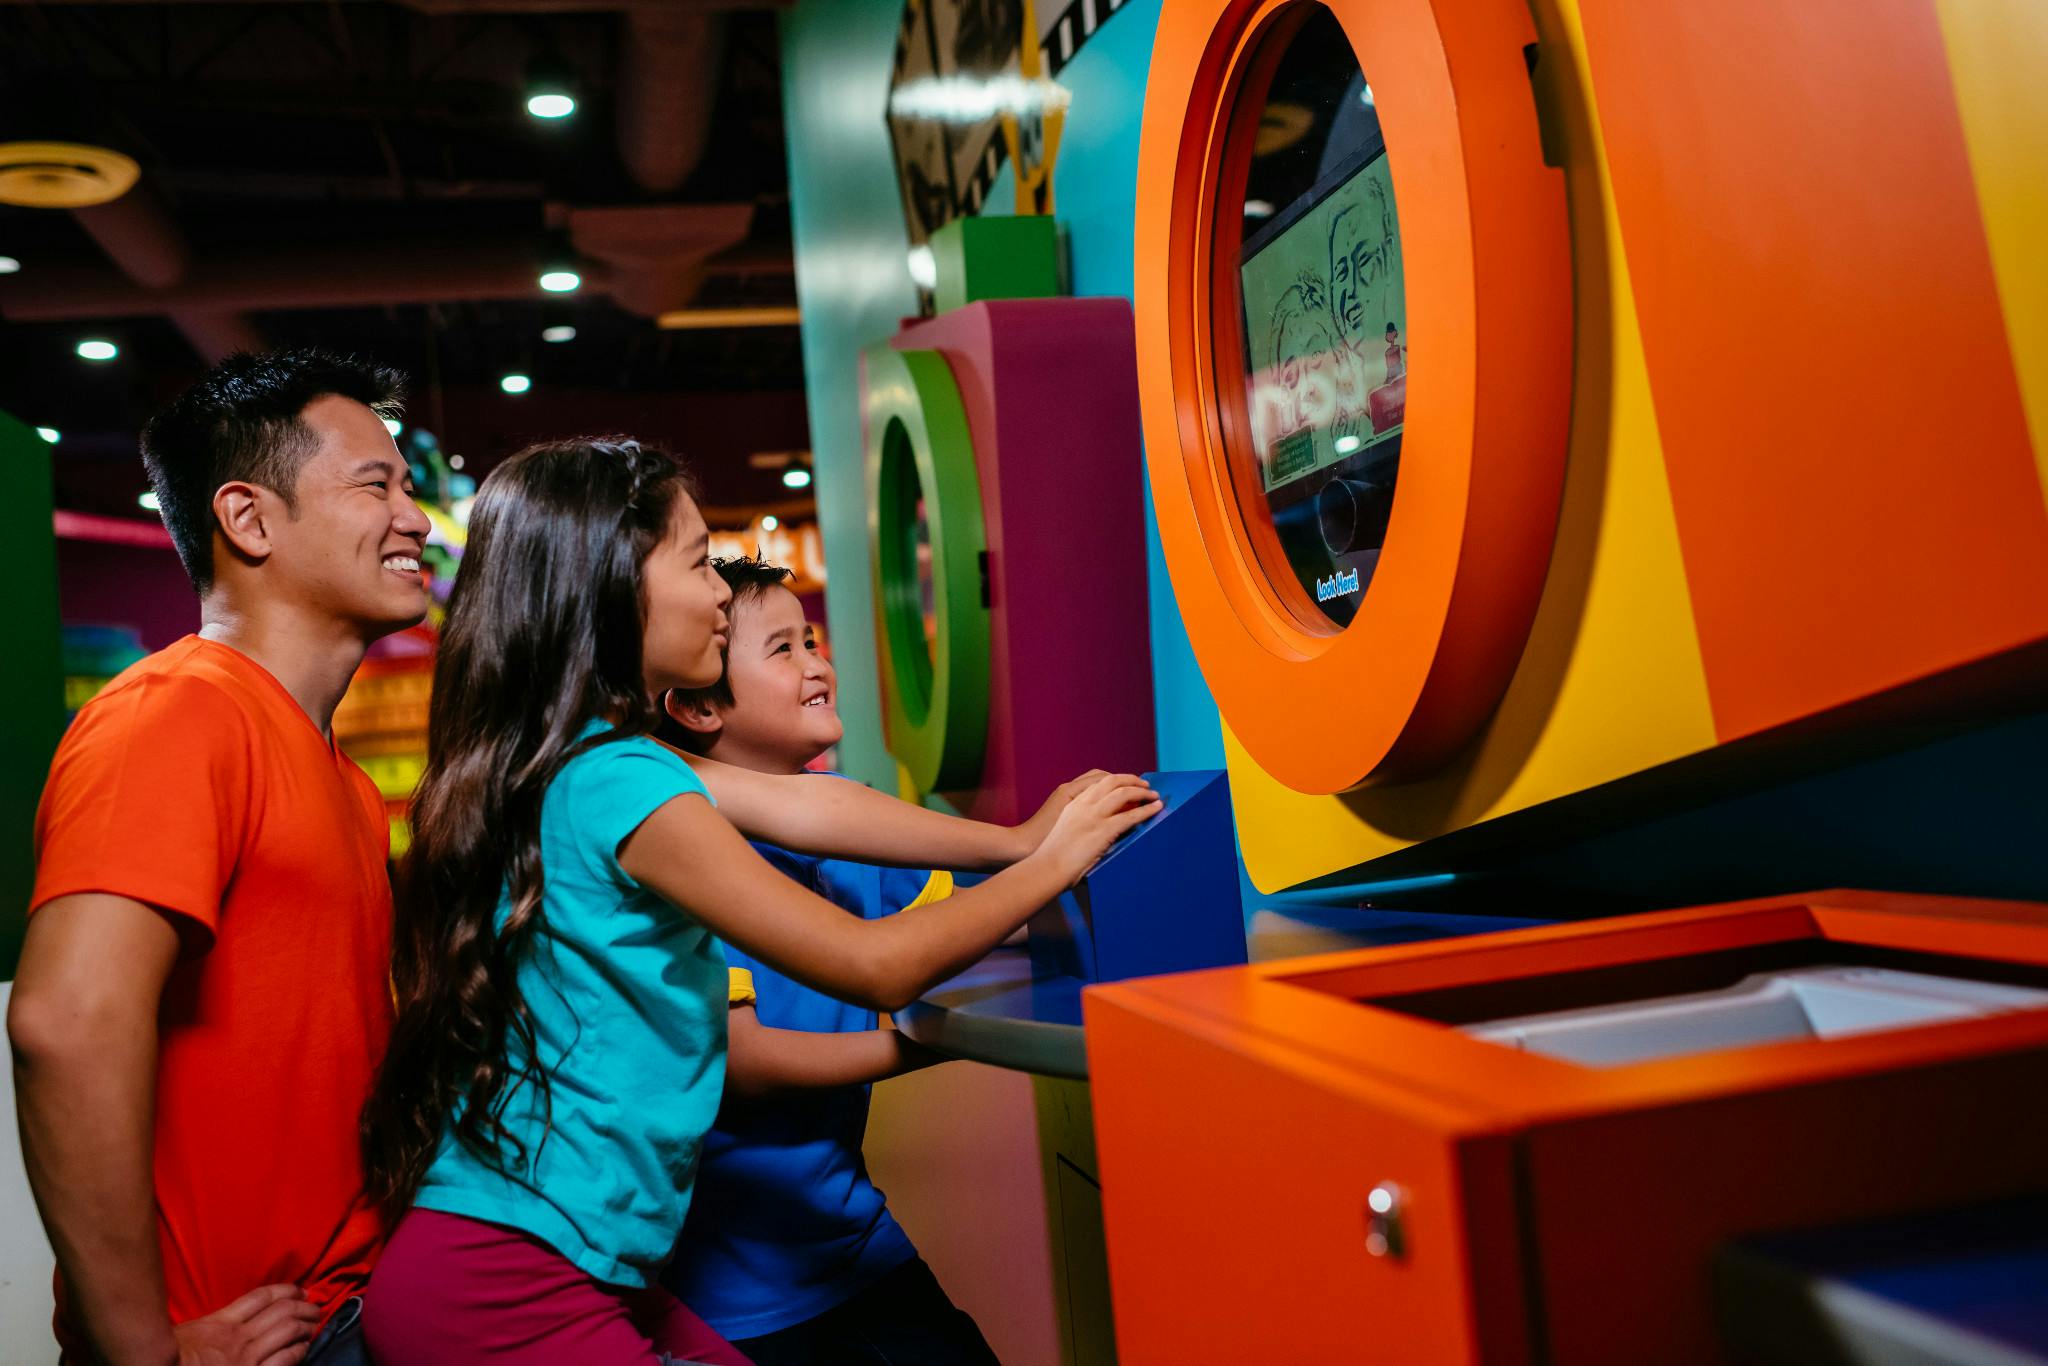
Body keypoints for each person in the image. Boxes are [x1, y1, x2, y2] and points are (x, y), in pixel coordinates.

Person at [357, 438, 1155, 1365]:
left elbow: (811, 801)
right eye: (699, 563)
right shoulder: (617, 783)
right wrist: (1050, 864)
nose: (715, 595)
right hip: (509, 1284)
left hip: (563, 1266)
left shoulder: (585, 761)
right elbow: (871, 961)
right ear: (612, 586)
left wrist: (1015, 841)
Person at [10, 348, 430, 1365]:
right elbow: (65, 1021)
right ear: (247, 519)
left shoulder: (343, 781)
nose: (415, 517)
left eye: (409, 486)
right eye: (376, 484)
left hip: (347, 1310)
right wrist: (144, 1352)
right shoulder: (177, 714)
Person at [660, 556, 998, 1364]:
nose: (819, 664)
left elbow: (967, 917)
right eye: (782, 650)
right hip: (743, 1297)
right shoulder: (687, 851)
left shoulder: (850, 834)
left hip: (856, 1243)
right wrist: (929, 1045)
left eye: (811, 640)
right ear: (700, 706)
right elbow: (743, 1064)